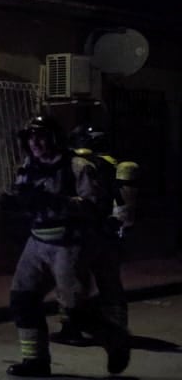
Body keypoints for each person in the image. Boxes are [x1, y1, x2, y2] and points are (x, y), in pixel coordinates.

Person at [0, 115, 130, 377]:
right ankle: (35, 360)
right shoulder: (29, 165)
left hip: (69, 244)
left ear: (55, 138)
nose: (35, 143)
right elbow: (23, 196)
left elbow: (94, 205)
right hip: (36, 241)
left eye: (41, 136)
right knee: (22, 299)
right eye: (31, 137)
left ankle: (114, 339)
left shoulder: (77, 166)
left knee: (76, 310)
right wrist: (14, 203)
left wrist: (57, 202)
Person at [56, 124, 135, 345]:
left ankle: (71, 329)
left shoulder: (80, 164)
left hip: (85, 232)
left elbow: (85, 200)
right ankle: (117, 328)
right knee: (109, 281)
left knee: (72, 279)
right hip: (110, 230)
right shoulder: (112, 165)